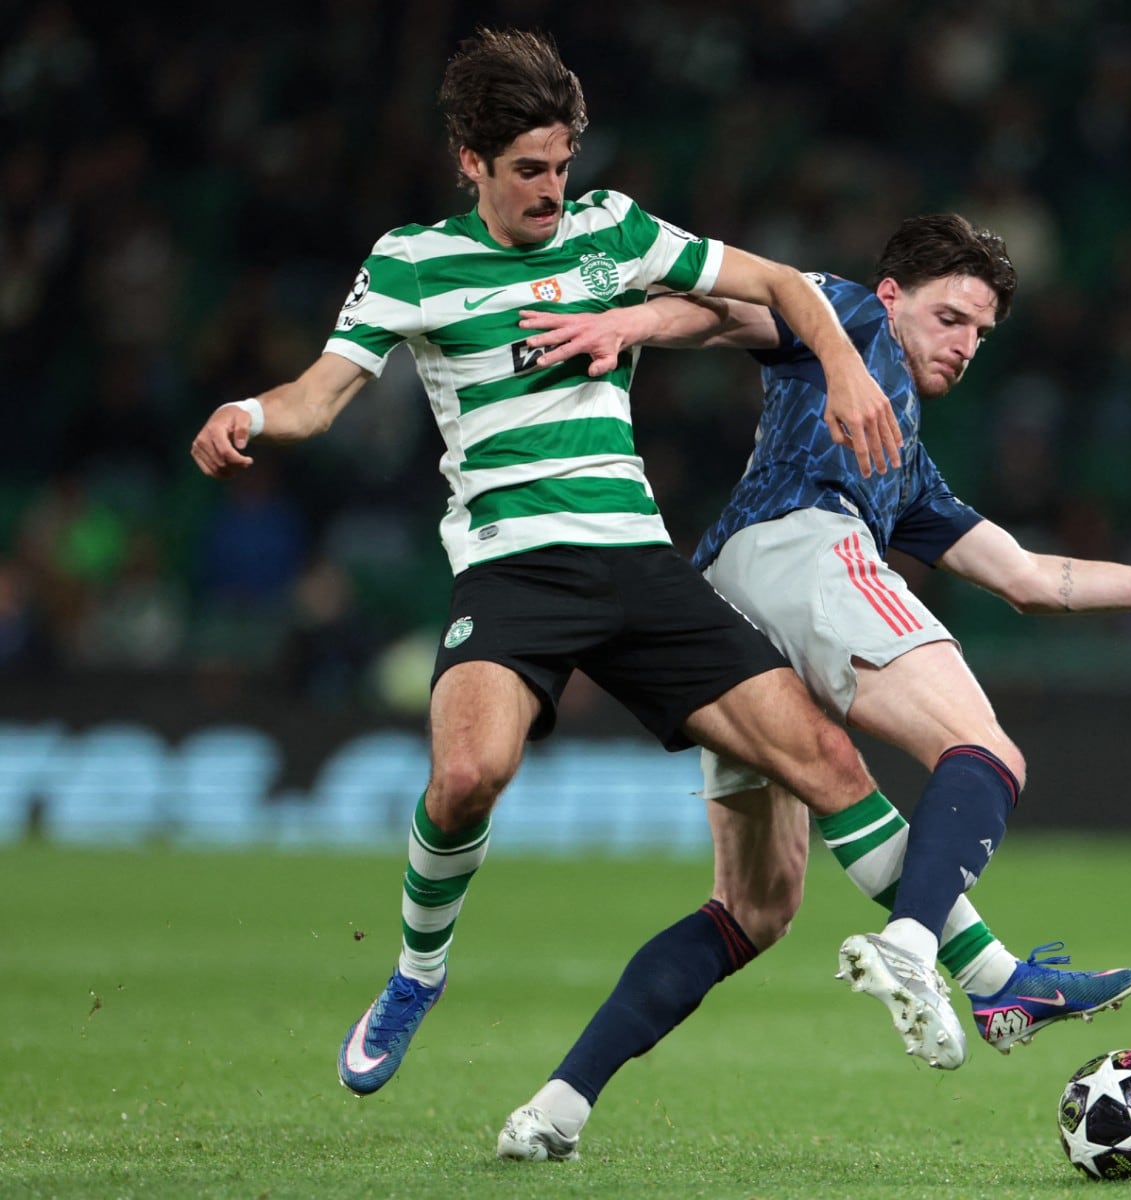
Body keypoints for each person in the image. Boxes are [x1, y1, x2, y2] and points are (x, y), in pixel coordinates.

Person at [185, 27, 1002, 1103]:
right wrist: (249, 412)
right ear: (469, 164)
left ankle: (988, 977)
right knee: (470, 776)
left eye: (562, 163)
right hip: (513, 571)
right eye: (528, 170)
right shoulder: (412, 261)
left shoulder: (612, 227)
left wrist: (847, 370)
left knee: (831, 766)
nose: (552, 190)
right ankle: (416, 975)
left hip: (637, 563)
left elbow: (785, 289)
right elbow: (319, 395)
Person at [493, 214, 1131, 1160]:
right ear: (894, 298)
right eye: (951, 317)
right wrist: (628, 326)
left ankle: (554, 1110)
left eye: (981, 333)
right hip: (803, 549)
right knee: (986, 752)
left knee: (754, 909)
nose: (964, 344)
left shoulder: (905, 465)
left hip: (727, 610)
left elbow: (1036, 580)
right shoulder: (847, 315)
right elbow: (724, 314)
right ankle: (919, 951)